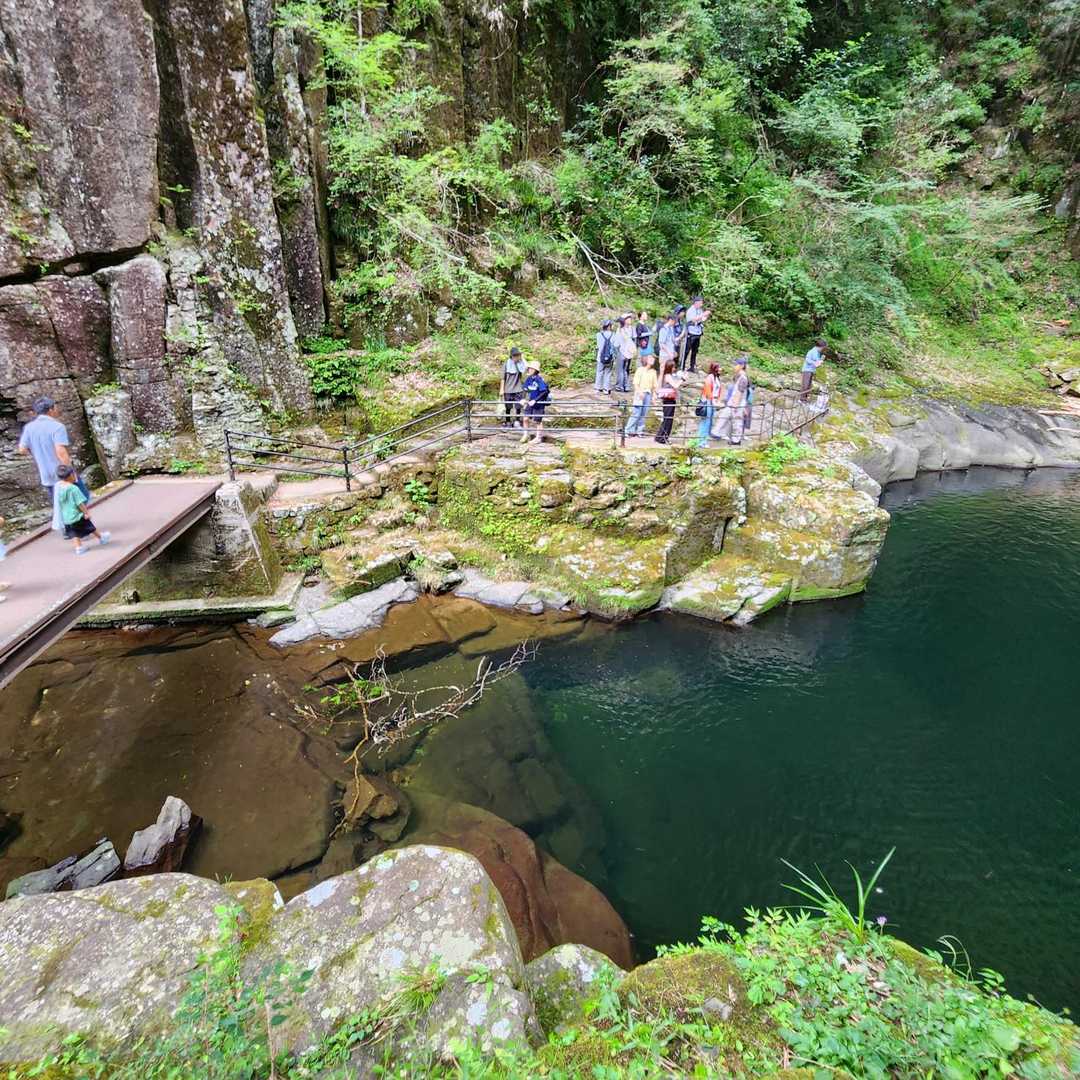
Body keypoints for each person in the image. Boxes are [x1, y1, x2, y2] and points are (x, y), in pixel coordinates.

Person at [18, 396, 73, 506]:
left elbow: (22, 450)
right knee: (79, 500)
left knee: (60, 506)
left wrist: (36, 450)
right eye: (55, 407)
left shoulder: (29, 428)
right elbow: (61, 452)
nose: (57, 409)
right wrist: (70, 472)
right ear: (51, 410)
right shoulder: (57, 426)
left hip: (46, 475)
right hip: (62, 473)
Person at [55, 465, 110, 555]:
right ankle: (101, 538)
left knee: (74, 533)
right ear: (70, 476)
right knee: (89, 527)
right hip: (77, 515)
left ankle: (79, 548)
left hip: (67, 517)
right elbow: (80, 503)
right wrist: (86, 512)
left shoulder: (60, 488)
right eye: (73, 474)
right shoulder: (73, 488)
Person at [713, 357, 751, 445]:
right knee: (724, 415)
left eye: (736, 365)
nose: (734, 366)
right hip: (733, 401)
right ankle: (716, 432)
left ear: (742, 366)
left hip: (737, 403)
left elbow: (740, 392)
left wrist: (735, 404)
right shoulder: (739, 376)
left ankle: (736, 440)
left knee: (737, 421)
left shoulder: (743, 378)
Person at [625, 354, 658, 438]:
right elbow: (636, 383)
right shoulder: (640, 370)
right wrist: (639, 392)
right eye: (650, 359)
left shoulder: (653, 372)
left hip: (648, 393)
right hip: (639, 393)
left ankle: (639, 431)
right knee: (636, 412)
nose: (653, 360)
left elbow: (655, 385)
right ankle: (628, 430)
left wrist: (654, 396)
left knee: (644, 413)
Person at [654, 359, 684, 444]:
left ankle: (660, 436)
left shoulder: (669, 375)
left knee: (668, 418)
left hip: (671, 399)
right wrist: (683, 379)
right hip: (668, 400)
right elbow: (675, 385)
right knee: (668, 419)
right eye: (673, 367)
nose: (674, 368)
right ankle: (663, 437)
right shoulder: (667, 376)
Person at [521, 360, 550, 445]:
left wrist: (535, 400)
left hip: (539, 403)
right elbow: (525, 389)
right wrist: (523, 398)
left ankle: (538, 438)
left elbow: (544, 391)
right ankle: (526, 434)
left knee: (538, 421)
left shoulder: (539, 379)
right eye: (529, 368)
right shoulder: (529, 379)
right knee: (525, 418)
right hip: (531, 401)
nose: (530, 370)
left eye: (532, 369)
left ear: (536, 370)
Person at [696, 362, 724, 445]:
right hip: (708, 401)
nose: (720, 369)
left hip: (713, 401)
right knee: (706, 421)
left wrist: (718, 400)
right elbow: (708, 391)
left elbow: (718, 390)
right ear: (715, 369)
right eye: (719, 367)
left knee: (709, 421)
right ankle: (701, 441)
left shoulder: (717, 378)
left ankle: (704, 439)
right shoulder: (710, 378)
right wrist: (713, 401)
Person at [682, 297, 710, 373]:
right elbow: (693, 320)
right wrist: (703, 315)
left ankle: (692, 367)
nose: (701, 304)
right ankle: (682, 366)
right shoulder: (690, 310)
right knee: (687, 350)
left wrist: (705, 316)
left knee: (695, 351)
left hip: (698, 332)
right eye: (700, 303)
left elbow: (701, 319)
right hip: (691, 332)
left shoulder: (700, 310)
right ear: (696, 302)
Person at [501, 347, 527, 427]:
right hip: (508, 389)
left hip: (518, 388)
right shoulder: (506, 364)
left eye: (518, 355)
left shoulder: (520, 364)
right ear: (511, 356)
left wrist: (522, 359)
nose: (516, 357)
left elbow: (526, 369)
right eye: (515, 355)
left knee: (518, 407)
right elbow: (502, 378)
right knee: (508, 407)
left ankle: (517, 421)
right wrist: (501, 389)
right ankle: (508, 421)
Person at [613, 314, 637, 393]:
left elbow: (616, 343)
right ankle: (626, 386)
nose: (630, 320)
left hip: (622, 351)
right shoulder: (632, 329)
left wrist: (616, 350)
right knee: (626, 369)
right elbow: (634, 340)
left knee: (620, 370)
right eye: (629, 318)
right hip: (629, 352)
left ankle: (620, 386)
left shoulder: (620, 330)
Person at [594, 320, 616, 394]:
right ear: (609, 326)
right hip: (610, 357)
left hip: (600, 357)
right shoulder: (613, 335)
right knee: (608, 373)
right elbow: (615, 346)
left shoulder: (598, 334)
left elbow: (598, 346)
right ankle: (606, 389)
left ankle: (597, 388)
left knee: (599, 372)